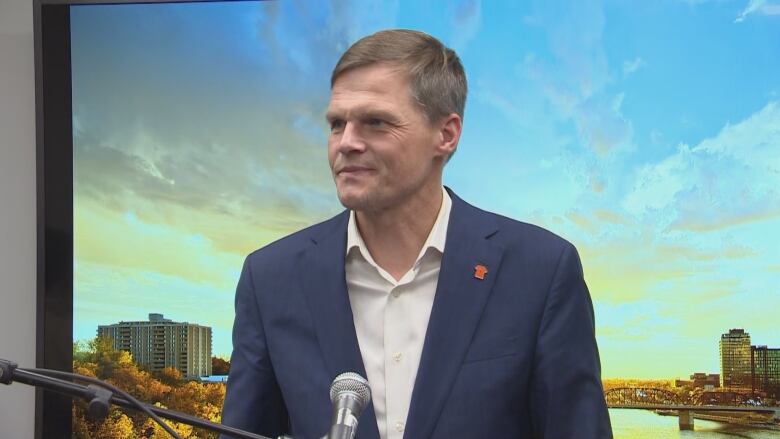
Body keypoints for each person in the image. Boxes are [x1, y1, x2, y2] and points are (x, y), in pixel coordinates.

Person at [221, 29, 612, 439]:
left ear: (446, 134)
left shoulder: (541, 271)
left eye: (375, 122)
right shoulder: (270, 279)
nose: (346, 143)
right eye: (337, 124)